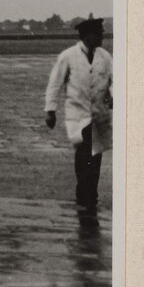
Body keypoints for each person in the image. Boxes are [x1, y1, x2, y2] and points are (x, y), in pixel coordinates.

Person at [44, 18, 113, 214]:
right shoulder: (68, 57)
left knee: (96, 155)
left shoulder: (105, 57)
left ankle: (91, 192)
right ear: (87, 36)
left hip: (99, 113)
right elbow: (55, 83)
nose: (101, 36)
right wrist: (50, 110)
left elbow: (114, 80)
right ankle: (84, 191)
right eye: (98, 33)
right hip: (77, 113)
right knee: (84, 151)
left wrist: (112, 98)